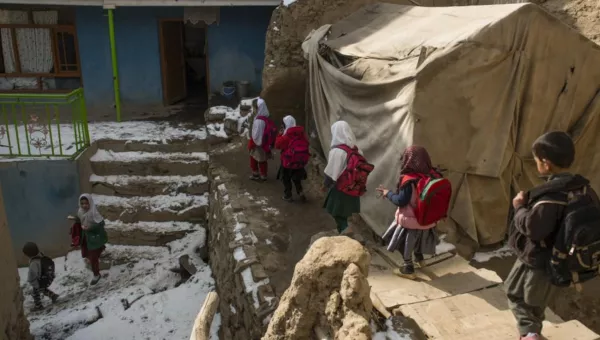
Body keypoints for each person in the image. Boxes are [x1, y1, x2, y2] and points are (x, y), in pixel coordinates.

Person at [506, 131, 594, 340]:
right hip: (561, 257)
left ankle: (530, 334)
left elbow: (533, 228)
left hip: (539, 259)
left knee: (522, 298)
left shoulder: (551, 197)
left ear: (545, 164)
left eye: (536, 160)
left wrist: (519, 207)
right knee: (531, 296)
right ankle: (532, 331)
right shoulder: (584, 189)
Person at [376, 146, 438, 279]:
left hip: (411, 221)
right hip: (427, 219)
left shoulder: (408, 180)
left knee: (405, 243)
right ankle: (420, 260)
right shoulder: (433, 175)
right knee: (420, 239)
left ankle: (408, 268)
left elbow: (401, 201)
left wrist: (388, 193)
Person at [322, 121, 362, 234]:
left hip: (340, 187)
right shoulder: (356, 150)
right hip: (353, 186)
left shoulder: (337, 151)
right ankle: (343, 230)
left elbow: (331, 172)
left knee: (334, 211)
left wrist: (325, 185)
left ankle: (344, 229)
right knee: (344, 211)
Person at [275, 115, 309, 202]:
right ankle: (300, 192)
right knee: (297, 179)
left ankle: (288, 195)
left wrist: (279, 135)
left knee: (286, 179)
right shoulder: (301, 134)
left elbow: (277, 145)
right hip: (299, 162)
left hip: (287, 162)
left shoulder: (287, 136)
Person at [78, 194, 108, 286]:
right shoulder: (80, 212)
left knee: (93, 257)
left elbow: (101, 224)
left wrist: (90, 227)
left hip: (94, 237)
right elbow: (81, 220)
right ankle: (101, 249)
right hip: (87, 238)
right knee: (90, 253)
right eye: (82, 203)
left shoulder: (93, 212)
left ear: (90, 203)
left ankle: (96, 274)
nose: (84, 206)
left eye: (86, 203)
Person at [22, 242, 58, 311]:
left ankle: (38, 306)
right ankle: (53, 296)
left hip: (42, 281)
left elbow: (31, 277)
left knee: (35, 291)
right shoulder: (42, 257)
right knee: (41, 288)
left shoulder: (34, 263)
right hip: (48, 278)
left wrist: (33, 283)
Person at [248, 98, 276, 181]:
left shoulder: (259, 120)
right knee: (262, 160)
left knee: (255, 158)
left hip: (258, 144)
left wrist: (254, 142)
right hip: (264, 143)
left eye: (254, 108)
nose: (253, 110)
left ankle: (256, 174)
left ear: (258, 108)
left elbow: (256, 134)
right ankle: (263, 174)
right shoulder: (265, 117)